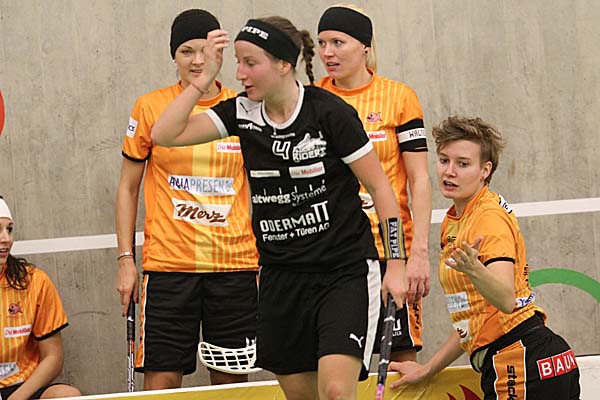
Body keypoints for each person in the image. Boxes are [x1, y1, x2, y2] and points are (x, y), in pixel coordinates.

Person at [150, 15, 408, 400]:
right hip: (281, 276)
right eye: (237, 62)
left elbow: (381, 190)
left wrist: (397, 264)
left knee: (336, 392)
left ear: (284, 64)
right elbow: (164, 134)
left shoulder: (330, 113)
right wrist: (203, 81)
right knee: (301, 396)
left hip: (343, 271)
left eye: (250, 63)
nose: (240, 73)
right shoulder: (241, 112)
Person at [115, 9, 259, 389]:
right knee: (162, 379)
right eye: (186, 51)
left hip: (234, 267)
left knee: (230, 384)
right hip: (169, 267)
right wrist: (125, 260)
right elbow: (128, 188)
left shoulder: (244, 106)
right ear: (173, 56)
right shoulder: (150, 107)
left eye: (205, 51)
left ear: (220, 53)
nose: (197, 61)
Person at [388, 116, 581, 399]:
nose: (449, 171)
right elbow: (473, 322)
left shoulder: (488, 217)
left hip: (520, 362)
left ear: (485, 170)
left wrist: (474, 269)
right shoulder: (454, 220)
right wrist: (428, 369)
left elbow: (505, 300)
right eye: (444, 160)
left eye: (463, 164)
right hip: (526, 358)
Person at [316, 4, 432, 364]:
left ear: (365, 46)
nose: (328, 53)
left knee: (398, 363)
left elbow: (420, 180)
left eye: (338, 42)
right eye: (322, 43)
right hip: (331, 254)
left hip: (388, 251)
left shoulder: (399, 97)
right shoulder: (311, 98)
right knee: (335, 361)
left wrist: (418, 254)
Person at [0, 196, 81, 400]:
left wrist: (15, 399)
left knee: (68, 396)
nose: (6, 238)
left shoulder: (35, 281)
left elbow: (53, 357)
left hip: (20, 389)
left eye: (9, 229)